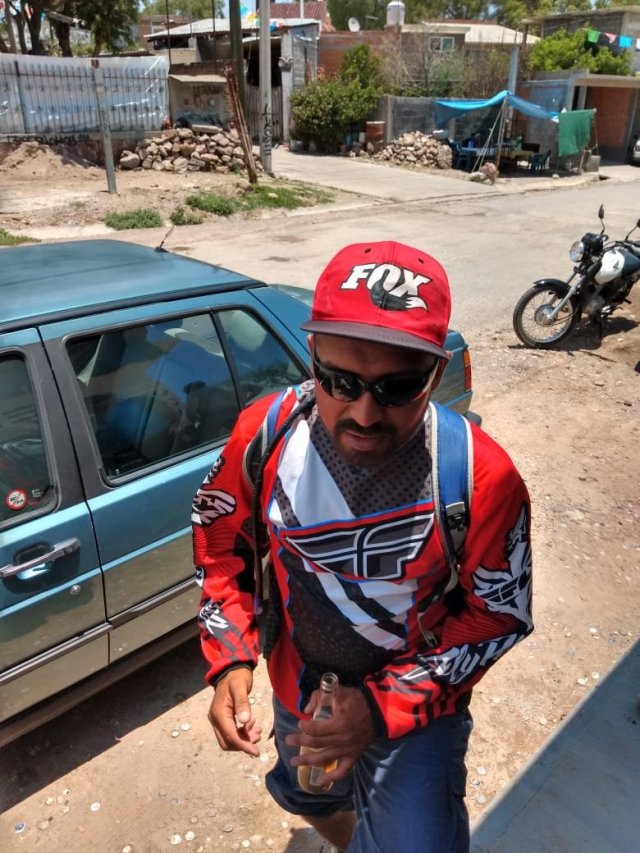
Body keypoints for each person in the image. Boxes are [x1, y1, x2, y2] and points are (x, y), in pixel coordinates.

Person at [192, 241, 533, 853]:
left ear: (435, 374)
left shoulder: (480, 475)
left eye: (397, 388)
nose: (366, 414)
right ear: (311, 358)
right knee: (307, 796)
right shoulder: (265, 435)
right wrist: (231, 660)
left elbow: (498, 613)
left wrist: (378, 710)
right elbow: (221, 545)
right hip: (301, 687)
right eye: (339, 381)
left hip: (418, 712)